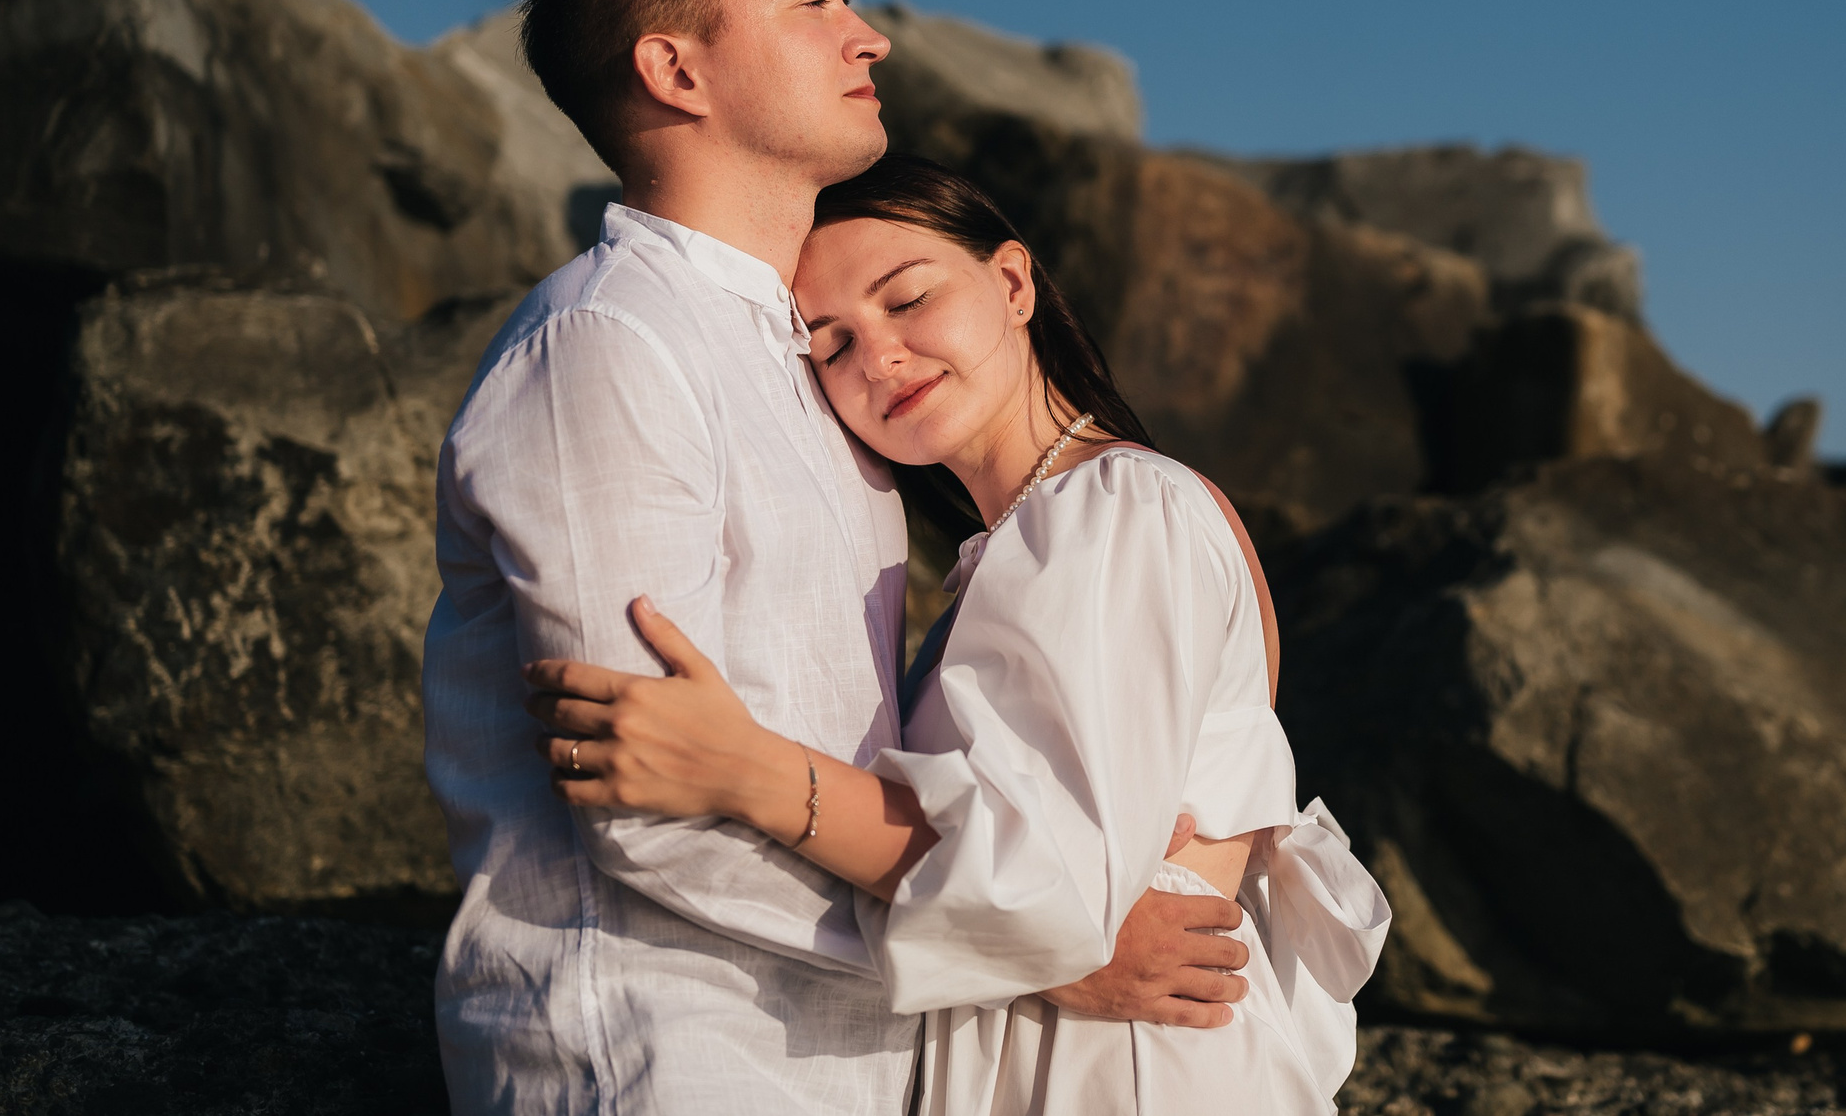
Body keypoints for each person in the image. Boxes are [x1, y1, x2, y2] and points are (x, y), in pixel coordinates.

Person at [422, 0, 1254, 1116]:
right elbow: (640, 792)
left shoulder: (804, 365)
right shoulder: (611, 340)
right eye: (812, 0)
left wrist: (1024, 930)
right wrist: (1049, 943)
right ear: (674, 66)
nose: (867, 38)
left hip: (841, 1059)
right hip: (666, 1051)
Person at [524, 154, 1392, 1114]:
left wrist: (748, 769)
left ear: (1013, 282)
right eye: (832, 344)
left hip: (1122, 1071)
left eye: (908, 300)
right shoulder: (1031, 540)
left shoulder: (1116, 509)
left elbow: (1050, 888)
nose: (880, 358)